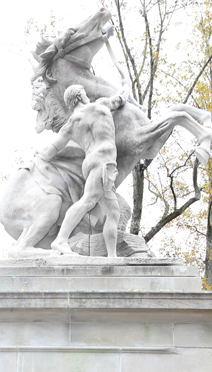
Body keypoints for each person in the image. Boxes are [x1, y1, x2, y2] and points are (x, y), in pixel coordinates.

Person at [38, 82, 130, 258]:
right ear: (80, 96)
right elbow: (120, 99)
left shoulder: (71, 123)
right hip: (103, 160)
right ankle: (60, 241)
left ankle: (112, 257)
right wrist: (126, 87)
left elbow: (51, 150)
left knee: (113, 212)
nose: (88, 95)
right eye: (85, 93)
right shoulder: (100, 105)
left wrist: (39, 155)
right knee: (88, 200)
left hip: (92, 163)